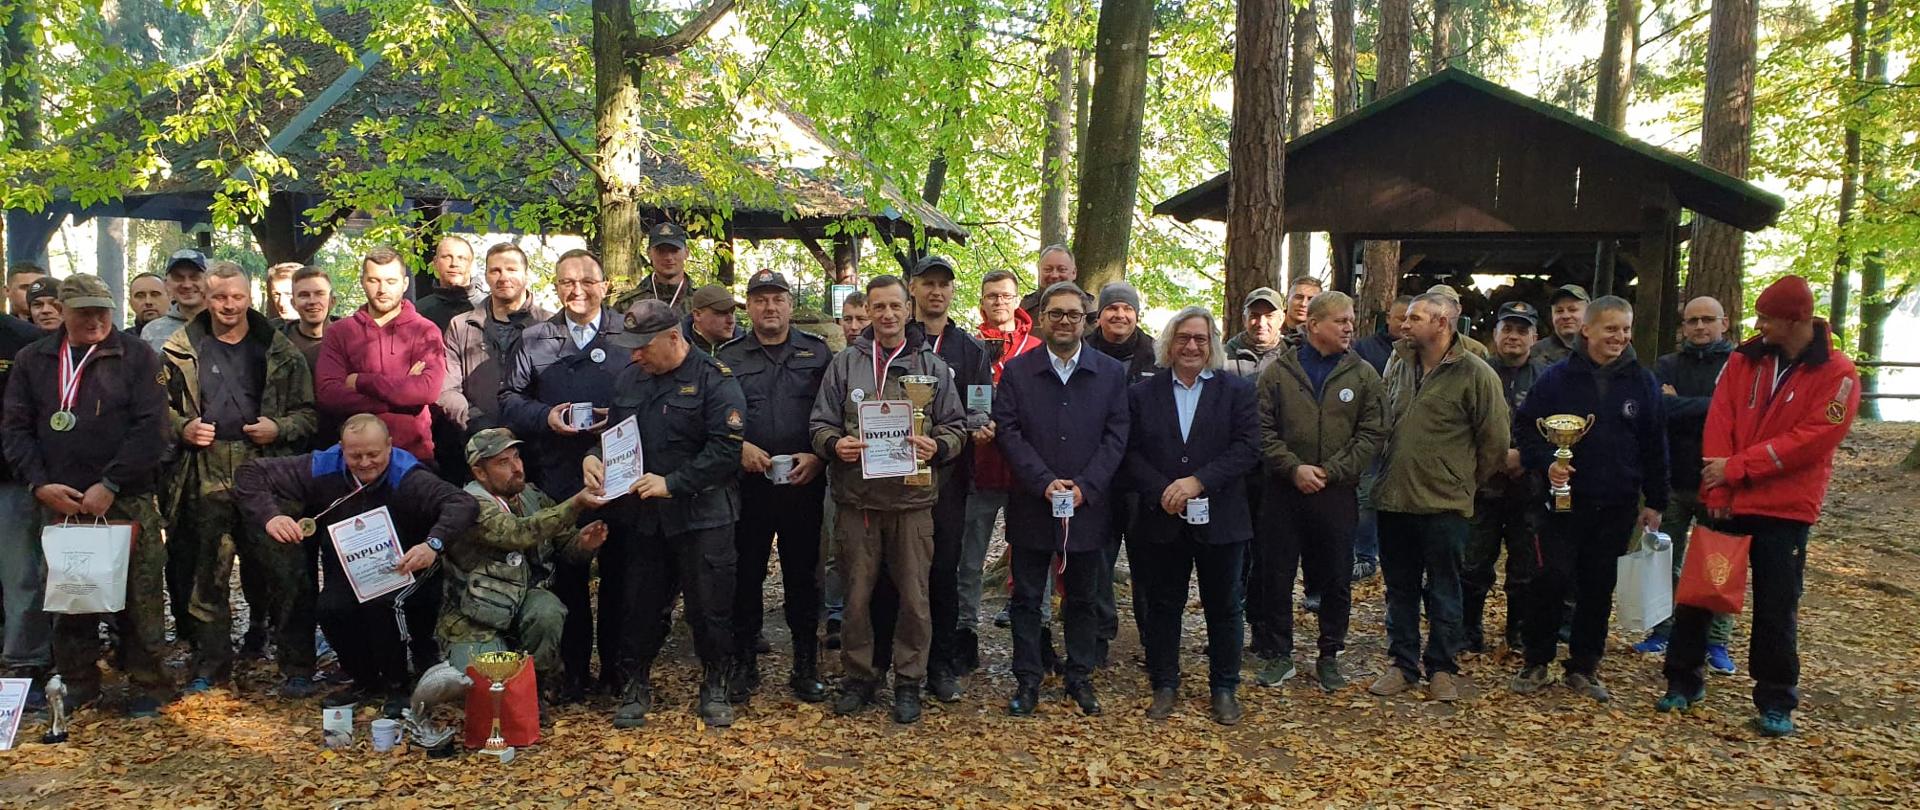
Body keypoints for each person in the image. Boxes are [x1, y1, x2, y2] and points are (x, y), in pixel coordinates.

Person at [1658, 275, 1859, 738]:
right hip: (1728, 499)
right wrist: (1719, 488)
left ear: (1796, 320)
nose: (1759, 325)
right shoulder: (1744, 360)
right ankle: (1682, 680)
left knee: (1776, 604)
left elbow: (1811, 441)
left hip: (1785, 508)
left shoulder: (1838, 374)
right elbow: (1721, 418)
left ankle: (1775, 698)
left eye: (1767, 318)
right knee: (1700, 594)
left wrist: (1737, 468)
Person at [1, 274, 174, 717]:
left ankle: (147, 682)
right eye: (85, 311)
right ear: (63, 310)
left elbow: (152, 429)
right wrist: (39, 483)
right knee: (69, 594)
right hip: (60, 501)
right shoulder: (33, 358)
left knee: (141, 594)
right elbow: (16, 428)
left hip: (125, 498)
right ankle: (79, 682)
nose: (96, 319)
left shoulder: (137, 355)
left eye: (103, 309)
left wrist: (111, 483)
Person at [235, 415, 474, 716]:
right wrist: (271, 516)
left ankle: (398, 684)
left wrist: (433, 545)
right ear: (340, 448)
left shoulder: (409, 475)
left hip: (407, 565)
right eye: (355, 455)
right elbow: (249, 473)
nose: (365, 463)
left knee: (384, 604)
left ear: (389, 446)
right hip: (350, 566)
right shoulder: (324, 465)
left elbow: (461, 503)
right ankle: (364, 680)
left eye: (373, 454)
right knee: (330, 609)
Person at [809, 275, 967, 724]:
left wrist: (937, 446)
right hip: (857, 501)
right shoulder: (844, 364)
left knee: (916, 598)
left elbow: (955, 426)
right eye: (878, 307)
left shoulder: (931, 367)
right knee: (856, 596)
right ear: (869, 311)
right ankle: (860, 676)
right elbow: (819, 423)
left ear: (908, 308)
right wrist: (833, 445)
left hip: (913, 503)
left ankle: (909, 680)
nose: (887, 315)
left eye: (895, 306)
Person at [583, 299, 747, 729]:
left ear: (674, 338)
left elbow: (725, 451)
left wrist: (672, 484)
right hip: (645, 519)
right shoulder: (631, 379)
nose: (634, 354)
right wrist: (593, 457)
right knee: (639, 605)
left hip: (702, 515)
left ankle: (715, 686)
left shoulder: (715, 381)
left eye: (643, 346)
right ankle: (635, 685)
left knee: (709, 608)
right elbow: (615, 435)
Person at [159, 264, 320, 696]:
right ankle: (211, 663)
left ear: (250, 296)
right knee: (205, 573)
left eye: (236, 297)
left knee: (285, 570)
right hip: (204, 468)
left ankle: (297, 665)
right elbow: (157, 412)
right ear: (204, 299)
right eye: (219, 298)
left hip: (266, 470)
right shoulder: (181, 349)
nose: (228, 306)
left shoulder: (279, 350)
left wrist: (278, 429)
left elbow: (309, 415)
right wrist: (182, 429)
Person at [1511, 296, 1667, 703]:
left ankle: (1584, 665)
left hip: (1616, 502)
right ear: (1588, 330)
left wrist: (1656, 500)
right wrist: (1547, 463)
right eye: (1611, 328)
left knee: (1599, 585)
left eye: (1626, 329)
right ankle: (1536, 659)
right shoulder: (1556, 379)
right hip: (1561, 502)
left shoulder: (1642, 382)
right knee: (1551, 578)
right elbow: (1526, 429)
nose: (1619, 337)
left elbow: (1654, 444)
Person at [499, 249, 633, 701]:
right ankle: (573, 671)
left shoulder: (627, 335)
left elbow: (649, 393)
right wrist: (545, 416)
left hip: (619, 473)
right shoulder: (536, 338)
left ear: (605, 285)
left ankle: (616, 669)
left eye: (586, 281)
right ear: (555, 287)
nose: (577, 290)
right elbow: (509, 399)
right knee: (567, 578)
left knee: (620, 576)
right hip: (556, 475)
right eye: (566, 283)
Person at [993, 280, 1131, 718]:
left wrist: (1086, 486)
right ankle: (1028, 680)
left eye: (1074, 314)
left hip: (1088, 506)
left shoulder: (1109, 373)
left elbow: (1117, 435)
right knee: (1026, 598)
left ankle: (1079, 677)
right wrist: (1043, 481)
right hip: (1034, 502)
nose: (1065, 321)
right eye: (1056, 313)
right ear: (1044, 318)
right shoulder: (1018, 371)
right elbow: (1008, 431)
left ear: (1086, 320)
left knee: (1084, 597)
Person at [1370, 292, 1509, 702]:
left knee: (1446, 587)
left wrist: (1462, 480)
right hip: (1394, 497)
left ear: (1442, 323)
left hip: (1445, 503)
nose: (1405, 324)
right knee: (1399, 587)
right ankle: (1402, 663)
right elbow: (1382, 416)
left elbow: (1495, 443)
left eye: (1415, 318)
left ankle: (1443, 667)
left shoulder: (1477, 374)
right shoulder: (1397, 361)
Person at [1124, 307, 1259, 724]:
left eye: (1201, 339)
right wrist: (1163, 488)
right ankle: (1164, 683)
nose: (1192, 346)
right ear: (1169, 343)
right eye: (1184, 338)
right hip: (1161, 517)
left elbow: (1248, 448)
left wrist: (1197, 481)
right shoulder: (1142, 393)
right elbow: (1128, 452)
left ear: (1213, 344)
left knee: (1224, 606)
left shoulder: (1236, 391)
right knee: (1163, 605)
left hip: (1222, 516)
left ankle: (1224, 688)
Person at [1251, 291, 1385, 691]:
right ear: (1313, 326)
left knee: (1335, 576)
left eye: (1351, 320)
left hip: (1335, 492)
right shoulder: (1278, 373)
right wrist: (1294, 469)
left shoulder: (1363, 375)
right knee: (1275, 574)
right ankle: (1278, 655)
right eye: (1340, 321)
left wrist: (1331, 471)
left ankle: (1329, 655)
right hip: (1283, 491)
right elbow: (1262, 429)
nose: (1349, 328)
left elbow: (1373, 432)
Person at [717, 270, 833, 704]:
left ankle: (806, 663)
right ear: (748, 306)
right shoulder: (729, 356)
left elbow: (833, 413)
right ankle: (743, 661)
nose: (770, 307)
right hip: (749, 486)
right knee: (744, 575)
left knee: (804, 576)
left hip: (803, 484)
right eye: (760, 300)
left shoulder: (817, 353)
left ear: (789, 305)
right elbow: (715, 415)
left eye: (777, 299)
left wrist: (819, 456)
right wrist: (738, 446)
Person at [443, 428, 608, 700]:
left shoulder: (531, 494)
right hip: (476, 615)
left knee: (548, 611)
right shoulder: (469, 504)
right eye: (502, 462)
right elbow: (517, 532)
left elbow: (564, 545)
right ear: (479, 472)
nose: (516, 468)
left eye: (516, 457)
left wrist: (584, 543)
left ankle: (536, 689)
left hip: (525, 601)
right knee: (479, 691)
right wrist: (576, 503)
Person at [1635, 296, 1738, 669]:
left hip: (1720, 482)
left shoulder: (1737, 365)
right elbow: (1658, 409)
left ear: (1723, 323)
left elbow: (1737, 413)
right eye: (1692, 320)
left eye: (1707, 320)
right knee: (1663, 561)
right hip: (1672, 479)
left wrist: (1685, 405)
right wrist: (1712, 405)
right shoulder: (1666, 365)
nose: (1699, 327)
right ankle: (1662, 630)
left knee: (1719, 563)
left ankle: (1716, 642)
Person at [958, 269, 1043, 658]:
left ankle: (1037, 633)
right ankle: (965, 632)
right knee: (969, 558)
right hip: (982, 468)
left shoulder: (1036, 348)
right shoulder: (970, 348)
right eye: (991, 296)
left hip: (1027, 473)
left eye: (1006, 296)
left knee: (1032, 556)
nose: (999, 302)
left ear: (1017, 301)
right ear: (981, 302)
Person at [1460, 301, 1548, 656]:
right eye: (1507, 329)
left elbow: (1557, 428)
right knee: (1473, 564)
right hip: (1483, 487)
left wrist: (1525, 456)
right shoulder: (1475, 373)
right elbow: (1462, 424)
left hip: (1530, 488)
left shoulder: (1547, 378)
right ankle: (1468, 632)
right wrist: (1495, 457)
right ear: (1494, 333)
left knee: (1525, 566)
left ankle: (1519, 633)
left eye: (1521, 330)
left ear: (1535, 336)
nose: (1513, 336)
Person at [314, 247, 447, 463]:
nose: (382, 289)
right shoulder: (340, 332)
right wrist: (401, 397)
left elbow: (428, 390)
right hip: (356, 459)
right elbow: (329, 395)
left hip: (414, 457)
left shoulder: (425, 331)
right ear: (362, 282)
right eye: (374, 280)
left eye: (391, 281)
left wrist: (360, 381)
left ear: (405, 284)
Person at [0, 290, 57, 701]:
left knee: (20, 575)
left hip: (11, 478)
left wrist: (34, 474)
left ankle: (26, 662)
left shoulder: (21, 340)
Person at [439, 242, 551, 438]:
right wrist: (478, 423)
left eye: (511, 269)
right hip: (478, 440)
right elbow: (448, 390)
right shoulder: (461, 326)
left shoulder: (550, 325)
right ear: (486, 276)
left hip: (539, 439)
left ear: (526, 275)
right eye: (495, 271)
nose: (503, 277)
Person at [615, 222, 696, 314]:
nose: (668, 257)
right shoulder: (628, 305)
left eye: (674, 250)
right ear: (649, 253)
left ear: (686, 253)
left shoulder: (702, 303)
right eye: (661, 251)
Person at [143, 249, 211, 353]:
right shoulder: (151, 332)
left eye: (195, 277)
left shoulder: (223, 323)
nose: (187, 285)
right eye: (178, 278)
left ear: (209, 281)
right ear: (166, 284)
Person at [1224, 287, 1288, 379]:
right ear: (1244, 319)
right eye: (1254, 316)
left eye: (1269, 316)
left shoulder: (1293, 354)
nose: (1261, 323)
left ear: (1281, 319)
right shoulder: (1225, 356)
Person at [416, 236, 477, 331]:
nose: (454, 263)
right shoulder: (418, 312)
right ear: (435, 262)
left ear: (471, 263)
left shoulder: (488, 307)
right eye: (447, 257)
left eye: (461, 258)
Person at [1531, 284, 1589, 364]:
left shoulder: (1602, 350)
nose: (1566, 316)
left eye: (1572, 310)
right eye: (1559, 311)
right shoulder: (1535, 353)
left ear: (1589, 313)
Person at [1019, 245, 1079, 321]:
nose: (1054, 275)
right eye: (1048, 269)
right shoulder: (1023, 311)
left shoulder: (1090, 310)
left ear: (1074, 272)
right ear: (1039, 271)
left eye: (1062, 269)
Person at [683, 284, 746, 355]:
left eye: (732, 312)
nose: (731, 321)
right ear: (698, 315)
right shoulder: (676, 346)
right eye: (722, 313)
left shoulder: (746, 347)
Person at [1354, 295, 1411, 374]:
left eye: (1414, 320)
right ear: (1388, 318)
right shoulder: (1363, 348)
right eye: (1402, 319)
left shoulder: (1425, 351)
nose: (1407, 325)